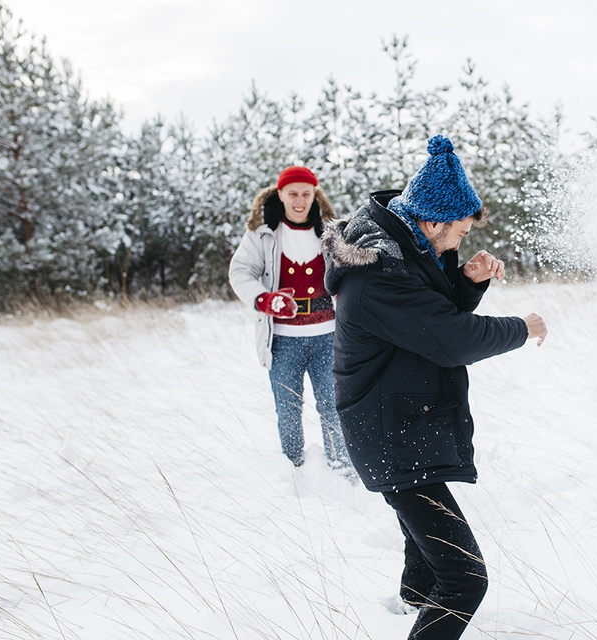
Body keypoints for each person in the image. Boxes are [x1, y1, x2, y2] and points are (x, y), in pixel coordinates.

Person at [322, 135, 548, 639]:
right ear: (432, 221)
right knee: (465, 578)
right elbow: (448, 340)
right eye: (459, 234)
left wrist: (464, 281)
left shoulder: (398, 251)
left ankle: (407, 608)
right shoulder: (377, 274)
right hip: (391, 435)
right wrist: (522, 327)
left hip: (398, 423)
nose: (458, 243)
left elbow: (426, 324)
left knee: (426, 560)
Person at [229, 166, 350, 470]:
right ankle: (293, 468)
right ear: (280, 194)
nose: (299, 201)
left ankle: (342, 468)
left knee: (333, 408)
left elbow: (351, 271)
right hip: (282, 341)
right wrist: (264, 299)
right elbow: (240, 272)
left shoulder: (332, 232)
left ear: (315, 195)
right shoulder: (262, 234)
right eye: (292, 194)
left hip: (328, 336)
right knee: (287, 409)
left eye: (306, 194)